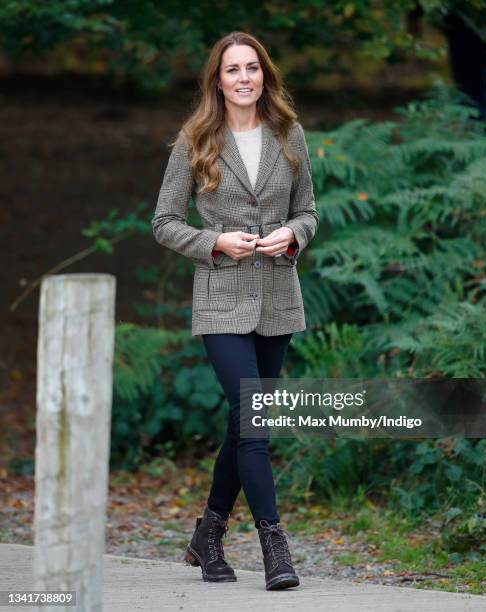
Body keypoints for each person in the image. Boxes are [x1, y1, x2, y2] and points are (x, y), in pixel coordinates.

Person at [151, 30, 319, 591]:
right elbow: (163, 222)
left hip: (277, 296)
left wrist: (292, 236)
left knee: (243, 420)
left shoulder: (289, 135)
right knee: (255, 422)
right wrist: (215, 242)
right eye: (232, 70)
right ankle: (276, 547)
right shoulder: (195, 139)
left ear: (265, 76)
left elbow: (309, 212)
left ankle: (209, 536)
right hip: (221, 297)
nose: (244, 78)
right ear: (217, 81)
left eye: (252, 68)